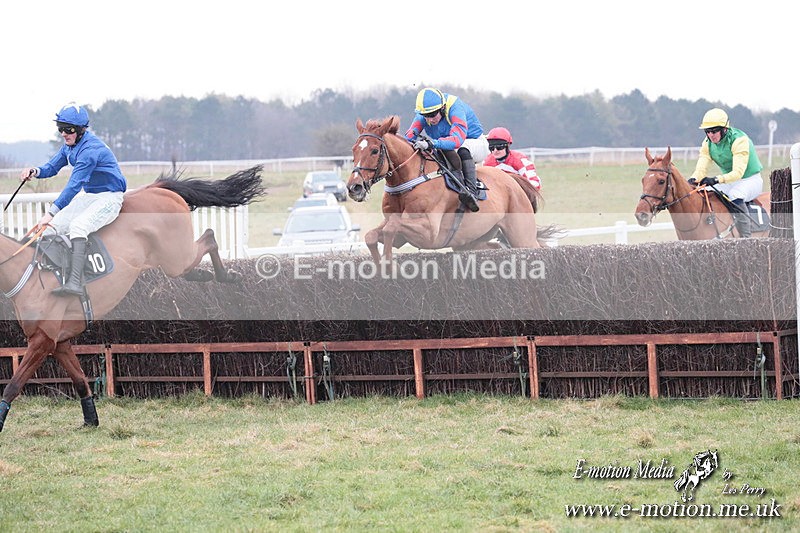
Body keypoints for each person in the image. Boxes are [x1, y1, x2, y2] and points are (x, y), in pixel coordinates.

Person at [20, 103, 127, 296]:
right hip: (91, 196)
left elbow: (74, 185)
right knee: (51, 228)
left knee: (78, 226)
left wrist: (50, 213)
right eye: (60, 128)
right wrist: (34, 171)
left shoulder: (89, 150)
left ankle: (75, 282)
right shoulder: (70, 146)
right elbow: (51, 168)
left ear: (80, 130)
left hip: (110, 197)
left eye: (68, 129)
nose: (63, 133)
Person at [404, 87, 488, 212]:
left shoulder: (455, 108)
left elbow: (457, 140)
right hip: (448, 146)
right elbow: (409, 137)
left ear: (442, 108)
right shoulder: (425, 112)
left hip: (474, 143)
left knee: (462, 149)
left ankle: (471, 192)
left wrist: (431, 143)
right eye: (425, 116)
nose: (430, 119)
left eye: (433, 115)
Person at [688, 108, 763, 238]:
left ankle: (746, 239)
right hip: (730, 181)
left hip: (750, 180)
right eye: (708, 131)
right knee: (705, 191)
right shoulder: (707, 144)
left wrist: (716, 179)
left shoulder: (739, 140)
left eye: (714, 131)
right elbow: (701, 168)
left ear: (724, 129)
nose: (711, 135)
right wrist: (693, 180)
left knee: (735, 194)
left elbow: (738, 173)